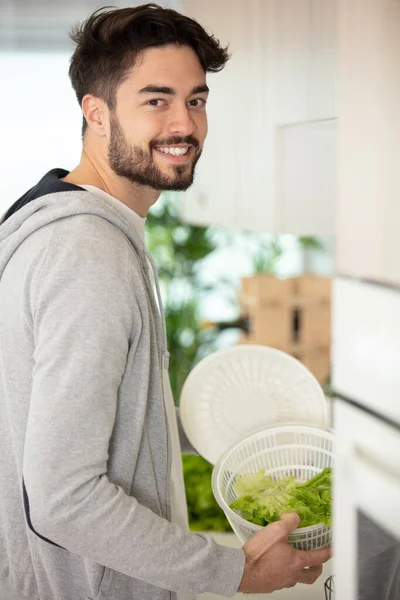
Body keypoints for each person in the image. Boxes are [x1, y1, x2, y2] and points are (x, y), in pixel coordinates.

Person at [0, 4, 330, 600]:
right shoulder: (88, 254)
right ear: (95, 113)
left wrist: (203, 423)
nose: (184, 124)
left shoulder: (61, 226)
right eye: (156, 100)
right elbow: (62, 498)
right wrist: (235, 570)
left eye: (196, 100)